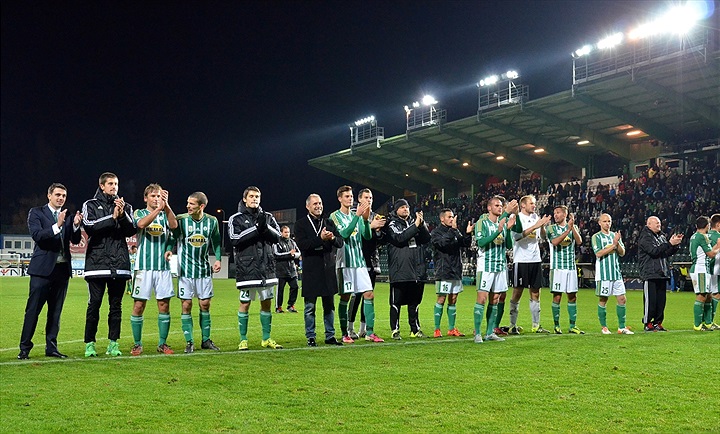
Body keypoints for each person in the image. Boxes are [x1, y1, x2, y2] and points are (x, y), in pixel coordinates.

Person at [18, 183, 82, 359]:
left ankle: (51, 348)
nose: (61, 198)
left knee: (55, 312)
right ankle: (24, 348)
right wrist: (57, 225)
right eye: (58, 195)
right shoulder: (36, 212)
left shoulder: (67, 216)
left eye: (63, 196)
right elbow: (37, 236)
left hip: (62, 270)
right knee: (33, 310)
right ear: (49, 196)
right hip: (42, 271)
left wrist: (76, 226)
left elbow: (75, 241)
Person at [82, 172, 137, 357]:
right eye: (111, 184)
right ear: (102, 185)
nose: (114, 187)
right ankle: (90, 344)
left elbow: (130, 231)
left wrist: (121, 215)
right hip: (97, 263)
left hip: (119, 264)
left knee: (116, 305)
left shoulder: (125, 206)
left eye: (116, 184)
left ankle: (113, 344)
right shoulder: (90, 205)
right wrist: (112, 217)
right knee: (94, 304)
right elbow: (89, 227)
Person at [165, 192, 222, 353]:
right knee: (186, 305)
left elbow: (216, 241)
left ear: (201, 206)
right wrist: (169, 250)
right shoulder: (182, 220)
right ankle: (189, 341)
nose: (188, 206)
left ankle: (206, 340)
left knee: (205, 304)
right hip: (185, 271)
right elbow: (172, 237)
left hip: (204, 270)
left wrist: (218, 259)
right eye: (187, 203)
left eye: (192, 204)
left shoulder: (212, 221)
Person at [228, 186, 283, 350]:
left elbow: (278, 237)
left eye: (257, 196)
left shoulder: (268, 217)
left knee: (266, 303)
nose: (254, 199)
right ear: (244, 199)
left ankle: (266, 338)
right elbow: (235, 239)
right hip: (247, 269)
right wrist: (256, 229)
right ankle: (243, 339)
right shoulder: (235, 219)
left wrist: (264, 227)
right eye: (251, 196)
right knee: (244, 303)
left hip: (267, 268)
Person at [129, 184, 178, 356]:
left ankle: (162, 344)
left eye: (159, 196)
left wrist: (167, 206)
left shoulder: (165, 214)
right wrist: (157, 210)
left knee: (164, 305)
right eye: (153, 196)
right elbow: (141, 225)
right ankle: (137, 344)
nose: (156, 198)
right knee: (139, 305)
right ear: (145, 198)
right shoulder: (139, 213)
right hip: (143, 267)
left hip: (162, 268)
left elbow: (173, 226)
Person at [330, 185, 384, 343]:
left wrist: (366, 220)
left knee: (369, 294)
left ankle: (370, 332)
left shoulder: (358, 216)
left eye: (351, 196)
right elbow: (344, 234)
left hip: (360, 262)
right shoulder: (335, 216)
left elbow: (367, 236)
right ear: (340, 198)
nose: (350, 199)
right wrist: (358, 217)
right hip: (344, 263)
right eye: (346, 196)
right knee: (345, 298)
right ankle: (344, 333)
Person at [294, 194, 344, 346]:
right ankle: (311, 336)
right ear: (307, 206)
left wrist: (332, 238)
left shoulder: (328, 222)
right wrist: (320, 239)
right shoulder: (300, 224)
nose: (318, 206)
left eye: (320, 203)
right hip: (311, 271)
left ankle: (330, 336)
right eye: (315, 203)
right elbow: (302, 245)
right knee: (310, 307)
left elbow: (340, 242)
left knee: (329, 306)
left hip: (328, 270)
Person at [473, 197, 517, 343]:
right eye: (497, 205)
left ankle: (490, 332)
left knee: (495, 299)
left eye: (501, 206)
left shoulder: (502, 224)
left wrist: (508, 229)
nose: (500, 207)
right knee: (482, 298)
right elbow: (481, 242)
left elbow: (509, 245)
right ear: (489, 208)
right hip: (486, 266)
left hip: (500, 266)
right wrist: (497, 231)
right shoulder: (482, 223)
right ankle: (478, 333)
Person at [386, 199, 431, 339]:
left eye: (407, 207)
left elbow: (426, 238)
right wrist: (416, 226)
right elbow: (399, 238)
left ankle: (415, 330)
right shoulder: (392, 224)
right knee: (396, 303)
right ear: (396, 210)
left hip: (416, 270)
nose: (405, 209)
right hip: (400, 270)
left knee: (414, 302)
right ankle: (395, 330)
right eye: (402, 207)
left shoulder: (415, 222)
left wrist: (421, 225)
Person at [508, 195, 552, 334]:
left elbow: (543, 237)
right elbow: (516, 237)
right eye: (531, 203)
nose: (534, 205)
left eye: (534, 203)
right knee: (517, 292)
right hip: (521, 260)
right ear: (523, 205)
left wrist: (542, 226)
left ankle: (536, 325)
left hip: (535, 260)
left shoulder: (535, 217)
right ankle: (512, 325)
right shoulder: (516, 218)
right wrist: (536, 225)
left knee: (535, 293)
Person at [347, 188, 387, 339]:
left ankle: (363, 329)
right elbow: (352, 234)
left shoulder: (376, 216)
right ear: (359, 199)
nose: (369, 200)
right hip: (356, 260)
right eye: (366, 197)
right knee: (355, 296)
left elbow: (381, 240)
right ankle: (349, 328)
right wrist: (371, 227)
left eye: (371, 197)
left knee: (368, 295)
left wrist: (378, 231)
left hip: (372, 261)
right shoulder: (352, 215)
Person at [430, 208, 474, 338]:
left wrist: (467, 234)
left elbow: (465, 244)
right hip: (444, 270)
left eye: (452, 216)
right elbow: (442, 244)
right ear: (442, 218)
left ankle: (451, 328)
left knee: (453, 299)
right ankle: (437, 329)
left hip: (455, 269)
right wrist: (453, 230)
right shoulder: (436, 233)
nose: (452, 219)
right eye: (449, 217)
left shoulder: (455, 231)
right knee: (441, 298)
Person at [637, 216, 682, 332]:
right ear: (648, 224)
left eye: (659, 223)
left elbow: (665, 253)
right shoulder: (645, 237)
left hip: (662, 273)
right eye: (656, 223)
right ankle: (647, 323)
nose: (658, 225)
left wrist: (674, 245)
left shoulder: (661, 236)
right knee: (650, 301)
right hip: (650, 273)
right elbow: (654, 251)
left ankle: (657, 322)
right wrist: (669, 243)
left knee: (661, 301)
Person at [592, 213, 633, 335]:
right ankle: (604, 327)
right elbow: (598, 253)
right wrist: (614, 245)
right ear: (599, 223)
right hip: (604, 274)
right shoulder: (596, 237)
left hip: (616, 273)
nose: (607, 223)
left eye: (609, 221)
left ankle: (621, 327)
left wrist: (617, 243)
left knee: (622, 298)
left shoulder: (615, 236)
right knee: (603, 299)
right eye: (604, 221)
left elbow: (622, 252)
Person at [546, 205, 584, 335]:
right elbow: (555, 242)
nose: (555, 215)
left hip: (571, 268)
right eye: (554, 213)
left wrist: (572, 227)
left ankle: (572, 326)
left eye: (558, 213)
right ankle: (556, 326)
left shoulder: (573, 227)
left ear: (565, 214)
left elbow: (579, 241)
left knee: (572, 296)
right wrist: (567, 230)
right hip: (557, 268)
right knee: (557, 296)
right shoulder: (551, 228)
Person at [688, 216, 720, 331]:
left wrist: (716, 247)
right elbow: (711, 254)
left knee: (709, 297)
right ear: (707, 226)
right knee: (701, 296)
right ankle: (697, 325)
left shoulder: (694, 236)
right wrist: (718, 247)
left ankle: (708, 323)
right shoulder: (702, 237)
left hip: (702, 269)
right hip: (700, 269)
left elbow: (709, 252)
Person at [272, 225, 301, 314]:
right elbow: (276, 254)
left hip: (291, 270)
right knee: (280, 290)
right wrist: (289, 254)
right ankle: (278, 307)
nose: (287, 234)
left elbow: (298, 253)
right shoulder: (276, 242)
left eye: (288, 232)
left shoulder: (292, 242)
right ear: (281, 233)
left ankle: (291, 306)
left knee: (295, 287)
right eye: (285, 232)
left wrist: (293, 255)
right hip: (281, 270)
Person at [707, 214, 720, 329]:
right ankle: (709, 320)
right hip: (716, 268)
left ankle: (708, 321)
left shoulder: (705, 235)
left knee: (708, 295)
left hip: (707, 268)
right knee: (716, 294)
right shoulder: (718, 236)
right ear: (718, 224)